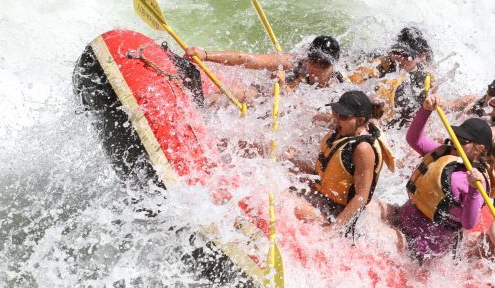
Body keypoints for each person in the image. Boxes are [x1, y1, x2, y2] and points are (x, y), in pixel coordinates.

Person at [376, 93, 495, 263]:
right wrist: (425, 110)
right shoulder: (448, 153)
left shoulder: (477, 183)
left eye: (462, 139)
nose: (456, 140)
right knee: (370, 207)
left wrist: (474, 189)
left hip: (422, 244)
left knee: (375, 232)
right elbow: (414, 139)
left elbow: (468, 223)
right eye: (457, 135)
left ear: (479, 148)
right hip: (403, 217)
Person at [288, 90, 394, 234]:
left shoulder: (363, 149)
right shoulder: (346, 126)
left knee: (298, 209)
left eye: (342, 115)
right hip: (322, 191)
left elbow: (361, 197)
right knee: (289, 161)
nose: (336, 119)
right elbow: (315, 118)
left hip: (336, 210)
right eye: (335, 112)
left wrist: (333, 230)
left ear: (360, 120)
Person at [184, 35, 343, 90]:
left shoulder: (338, 87)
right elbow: (251, 60)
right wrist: (206, 55)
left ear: (333, 65)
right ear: (307, 57)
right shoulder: (294, 63)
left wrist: (285, 91)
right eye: (313, 60)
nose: (317, 67)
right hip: (273, 95)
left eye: (324, 64)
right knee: (240, 94)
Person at [348, 27, 433, 127]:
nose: (399, 58)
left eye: (406, 56)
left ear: (421, 56)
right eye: (396, 52)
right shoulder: (377, 61)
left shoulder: (423, 79)